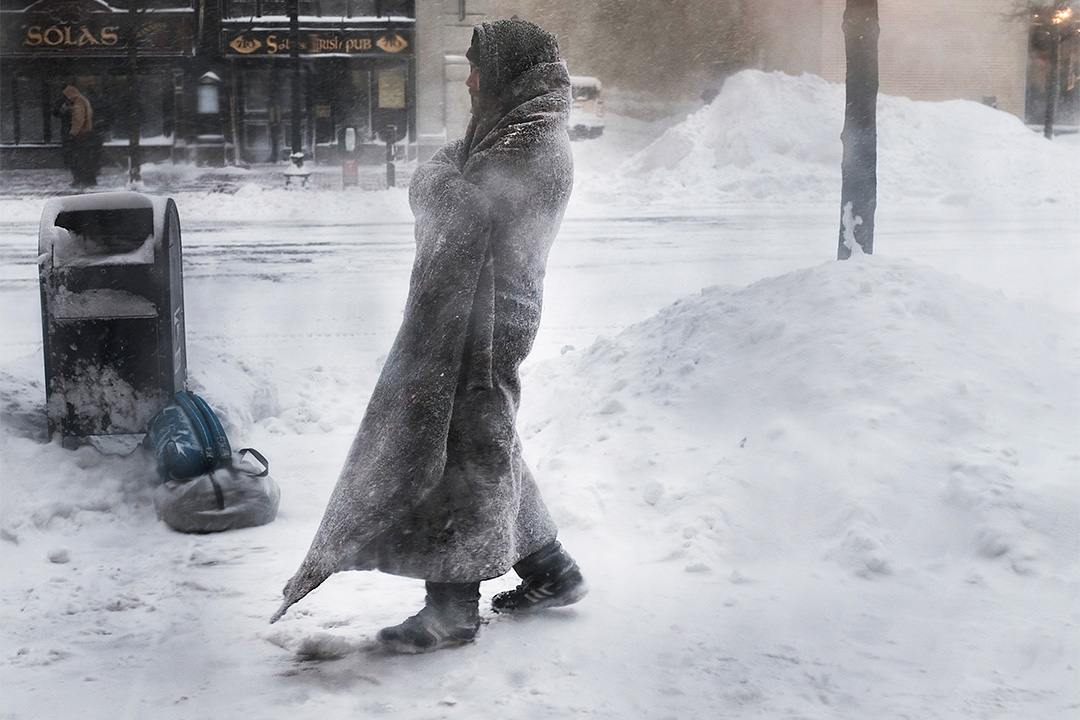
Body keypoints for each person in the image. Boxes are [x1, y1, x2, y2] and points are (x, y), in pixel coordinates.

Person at [272, 19, 587, 652]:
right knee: (485, 437)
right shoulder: (509, 124)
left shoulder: (529, 137)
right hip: (478, 310)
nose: (469, 80)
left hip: (489, 319)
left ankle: (451, 608)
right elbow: (463, 183)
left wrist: (433, 179)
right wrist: (447, 174)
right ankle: (551, 570)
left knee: (469, 447)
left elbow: (466, 207)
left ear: (505, 71)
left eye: (477, 68)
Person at [53, 84, 98, 188]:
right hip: (82, 134)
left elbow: (78, 120)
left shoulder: (77, 102)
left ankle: (82, 179)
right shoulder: (82, 100)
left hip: (76, 134)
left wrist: (72, 133)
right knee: (83, 157)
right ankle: (87, 179)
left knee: (77, 158)